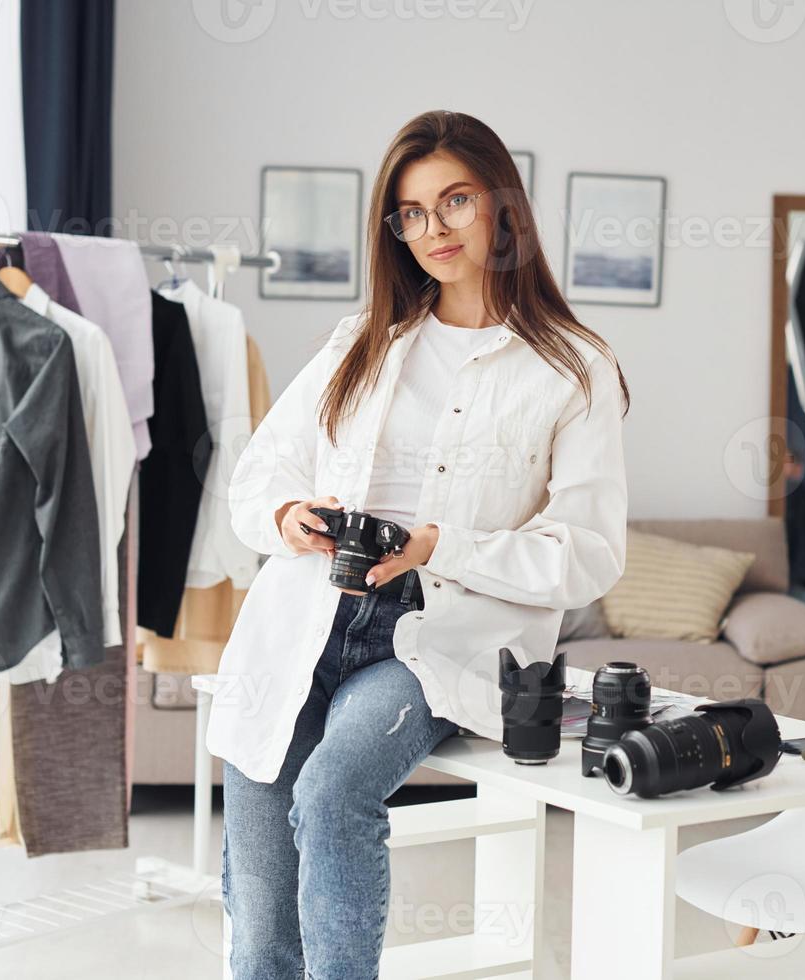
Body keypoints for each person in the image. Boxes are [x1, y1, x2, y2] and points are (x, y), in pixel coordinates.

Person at [209, 109, 631, 979]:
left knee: (331, 796)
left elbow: (588, 554)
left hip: (430, 639)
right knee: (257, 931)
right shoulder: (361, 340)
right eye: (410, 212)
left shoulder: (573, 366)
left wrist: (439, 545)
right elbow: (255, 480)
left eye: (455, 201)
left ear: (501, 205)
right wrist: (291, 516)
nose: (432, 230)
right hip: (303, 617)